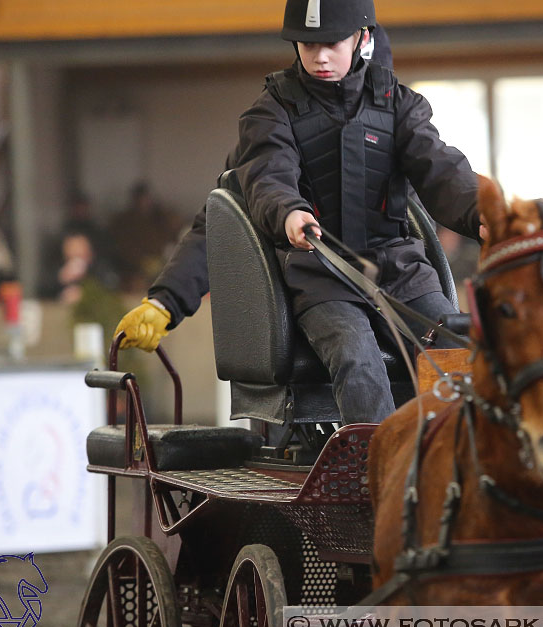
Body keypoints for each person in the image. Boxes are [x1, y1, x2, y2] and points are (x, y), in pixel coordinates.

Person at [115, 4, 480, 425]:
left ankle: (461, 466)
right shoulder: (271, 114)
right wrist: (167, 300)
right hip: (321, 278)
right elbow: (253, 191)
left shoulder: (400, 105)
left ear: (362, 40)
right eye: (309, 44)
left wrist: (481, 214)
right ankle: (375, 474)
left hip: (401, 273)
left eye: (333, 44)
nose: (321, 56)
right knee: (357, 358)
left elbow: (443, 171)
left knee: (457, 351)